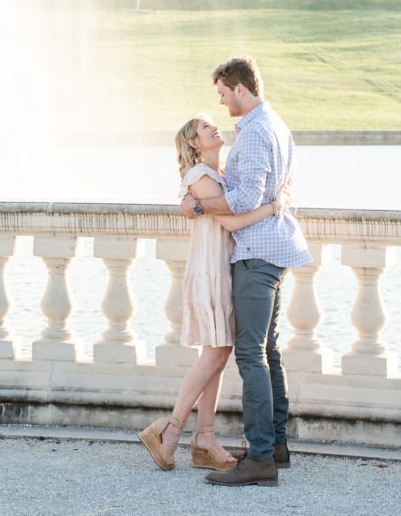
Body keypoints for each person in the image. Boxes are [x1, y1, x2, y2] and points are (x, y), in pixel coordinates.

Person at [180, 56, 312, 488]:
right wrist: (274, 204)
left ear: (239, 89)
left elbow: (242, 200)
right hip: (273, 249)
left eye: (222, 93)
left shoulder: (255, 133)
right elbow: (264, 194)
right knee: (268, 351)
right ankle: (274, 446)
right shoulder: (275, 124)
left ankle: (259, 459)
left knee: (251, 355)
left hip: (257, 254)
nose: (221, 103)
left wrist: (198, 206)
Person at [138, 114, 289, 473]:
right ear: (193, 143)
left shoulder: (216, 176)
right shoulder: (200, 178)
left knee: (219, 355)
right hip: (211, 272)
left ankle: (205, 436)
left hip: (223, 269)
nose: (214, 128)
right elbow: (233, 220)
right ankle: (171, 431)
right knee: (214, 355)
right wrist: (274, 206)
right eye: (205, 128)